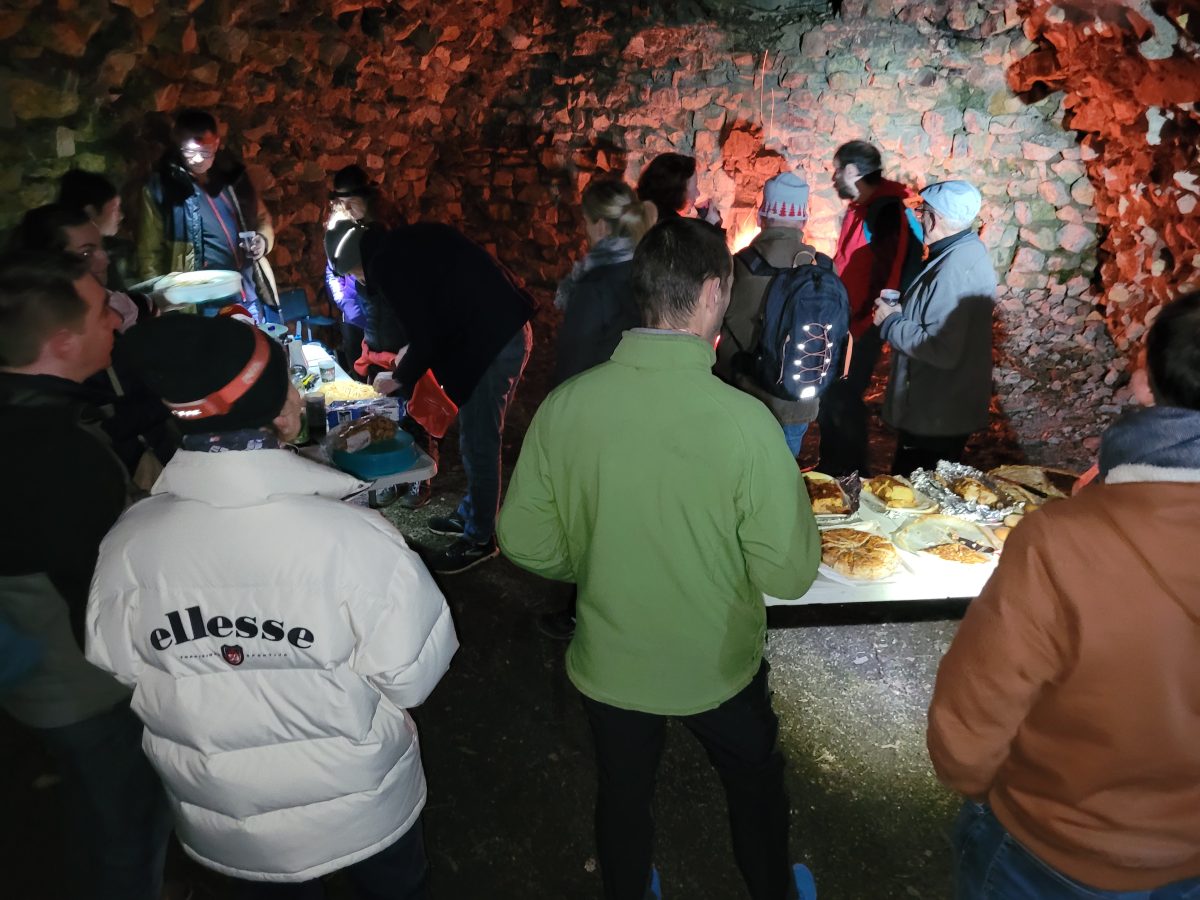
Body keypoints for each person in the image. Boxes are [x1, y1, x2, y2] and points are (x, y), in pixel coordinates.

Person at [497, 217, 821, 900]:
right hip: (717, 664)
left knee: (623, 793)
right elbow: (789, 575)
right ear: (711, 292)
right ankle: (772, 889)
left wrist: (593, 559)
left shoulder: (566, 407)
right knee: (755, 783)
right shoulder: (746, 423)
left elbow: (523, 538)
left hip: (612, 659)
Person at [85, 313, 459, 899]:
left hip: (227, 820)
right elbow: (411, 678)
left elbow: (117, 665)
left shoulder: (127, 546)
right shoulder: (355, 539)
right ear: (284, 411)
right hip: (361, 806)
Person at [926, 291, 1200, 899]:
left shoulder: (1063, 540)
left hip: (1054, 848)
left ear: (1147, 383)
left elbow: (969, 727)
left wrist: (987, 791)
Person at [0, 253, 171, 900]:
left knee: (94, 812)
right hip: (84, 688)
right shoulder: (58, 456)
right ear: (63, 340)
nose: (116, 322)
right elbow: (104, 606)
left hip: (35, 677)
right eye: (102, 312)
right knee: (128, 828)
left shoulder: (32, 418)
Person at [327, 220, 535, 574]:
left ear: (358, 264)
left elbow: (426, 338)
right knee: (474, 436)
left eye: (353, 274)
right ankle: (473, 514)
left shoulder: (387, 266)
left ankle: (480, 539)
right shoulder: (403, 242)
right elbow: (439, 310)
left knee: (480, 441)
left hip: (496, 341)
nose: (357, 281)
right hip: (495, 330)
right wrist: (413, 351)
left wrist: (398, 378)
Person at [537, 178, 654, 640]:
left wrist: (557, 419)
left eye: (586, 222)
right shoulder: (646, 271)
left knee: (591, 517)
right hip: (640, 406)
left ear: (601, 226)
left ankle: (586, 615)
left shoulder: (596, 283)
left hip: (599, 414)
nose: (584, 231)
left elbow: (574, 360)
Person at [10, 204, 176, 478]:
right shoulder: (60, 443)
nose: (105, 260)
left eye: (101, 248)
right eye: (86, 253)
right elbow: (112, 416)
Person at [872, 180, 996, 473]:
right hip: (946, 405)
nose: (919, 218)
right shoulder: (966, 252)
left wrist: (891, 321)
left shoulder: (953, 269)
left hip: (935, 412)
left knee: (916, 487)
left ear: (937, 218)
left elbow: (941, 349)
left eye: (922, 212)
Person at [816, 140, 923, 475]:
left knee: (842, 395)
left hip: (862, 323)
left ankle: (849, 473)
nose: (834, 177)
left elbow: (889, 271)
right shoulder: (865, 206)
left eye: (837, 170)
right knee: (834, 393)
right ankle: (834, 467)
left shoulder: (886, 211)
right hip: (849, 319)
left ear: (852, 171)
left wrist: (864, 324)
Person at [136, 108, 279, 321]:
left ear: (217, 143)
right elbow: (149, 253)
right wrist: (159, 305)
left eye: (206, 152)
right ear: (177, 142)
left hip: (246, 292)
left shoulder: (233, 178)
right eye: (189, 152)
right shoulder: (161, 189)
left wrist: (263, 241)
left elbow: (261, 218)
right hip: (199, 303)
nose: (197, 160)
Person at [716, 171, 821, 458]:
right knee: (780, 476)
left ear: (763, 216)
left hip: (743, 395)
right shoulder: (823, 268)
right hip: (796, 404)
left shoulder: (740, 265)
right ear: (803, 221)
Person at [58, 168, 136, 290]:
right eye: (115, 208)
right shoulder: (75, 264)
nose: (121, 215)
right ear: (90, 212)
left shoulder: (110, 248)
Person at [636, 152, 722, 226]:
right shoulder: (667, 230)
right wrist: (710, 225)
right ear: (677, 195)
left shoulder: (642, 212)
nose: (698, 193)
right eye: (694, 187)